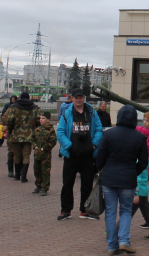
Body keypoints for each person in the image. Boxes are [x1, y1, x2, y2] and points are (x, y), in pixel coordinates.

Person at [97, 105, 149, 254]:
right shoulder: (139, 137)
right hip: (128, 178)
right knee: (126, 210)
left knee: (110, 212)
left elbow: (100, 156)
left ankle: (112, 245)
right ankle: (124, 240)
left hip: (109, 178)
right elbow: (144, 161)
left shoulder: (109, 134)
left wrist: (102, 170)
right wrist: (134, 171)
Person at [56, 88, 103, 221]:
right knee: (67, 183)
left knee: (87, 184)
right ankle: (66, 210)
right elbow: (60, 132)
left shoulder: (92, 113)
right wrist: (68, 145)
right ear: (73, 98)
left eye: (81, 97)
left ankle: (85, 210)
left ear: (84, 98)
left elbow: (99, 129)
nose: (78, 99)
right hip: (71, 155)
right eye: (76, 97)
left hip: (88, 155)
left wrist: (94, 144)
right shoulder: (67, 113)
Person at [2, 92, 40, 183]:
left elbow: (9, 120)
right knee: (26, 155)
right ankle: (24, 176)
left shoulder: (14, 107)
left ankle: (17, 174)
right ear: (29, 97)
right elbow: (38, 121)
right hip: (29, 135)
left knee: (17, 154)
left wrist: (10, 131)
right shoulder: (34, 108)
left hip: (16, 134)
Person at [32, 112, 56, 196]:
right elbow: (32, 138)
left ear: (48, 120)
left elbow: (53, 141)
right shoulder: (37, 129)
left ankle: (45, 187)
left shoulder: (50, 130)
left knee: (45, 171)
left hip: (46, 155)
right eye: (40, 118)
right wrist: (34, 145)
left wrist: (45, 148)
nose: (41, 120)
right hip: (37, 154)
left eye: (43, 118)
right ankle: (38, 185)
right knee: (36, 170)